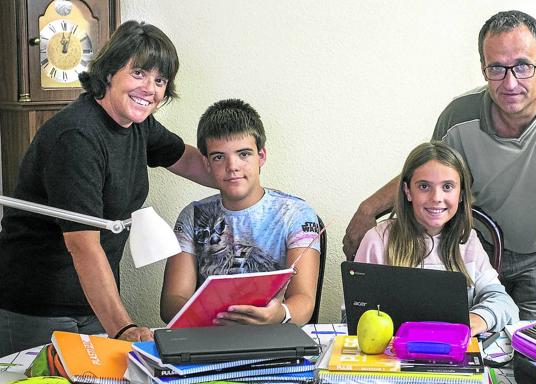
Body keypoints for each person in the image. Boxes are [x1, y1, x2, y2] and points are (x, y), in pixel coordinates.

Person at [344, 10, 536, 326]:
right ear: (483, 68)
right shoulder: (459, 115)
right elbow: (429, 173)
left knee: (533, 357)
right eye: (496, 69)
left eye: (522, 66)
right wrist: (368, 209)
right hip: (481, 245)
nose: (510, 82)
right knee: (480, 342)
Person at [0, 20, 215, 355]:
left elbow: (185, 159)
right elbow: (83, 246)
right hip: (38, 309)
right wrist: (124, 327)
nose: (151, 88)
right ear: (110, 71)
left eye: (160, 80)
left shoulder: (136, 125)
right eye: (140, 73)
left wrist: (239, 177)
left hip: (93, 305)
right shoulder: (77, 137)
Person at [160, 99, 320, 326]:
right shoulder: (192, 216)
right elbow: (172, 303)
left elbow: (304, 300)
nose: (232, 166)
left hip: (273, 336)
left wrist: (278, 314)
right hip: (208, 335)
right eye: (219, 157)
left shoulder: (296, 214)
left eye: (243, 154)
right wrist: (212, 317)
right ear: (206, 163)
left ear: (261, 156)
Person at [355, 142, 518, 335]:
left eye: (448, 187)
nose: (436, 197)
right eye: (424, 186)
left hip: (450, 354)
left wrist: (480, 318)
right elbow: (352, 314)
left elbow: (504, 303)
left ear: (461, 194)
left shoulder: (467, 240)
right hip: (391, 357)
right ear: (408, 191)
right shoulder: (378, 240)